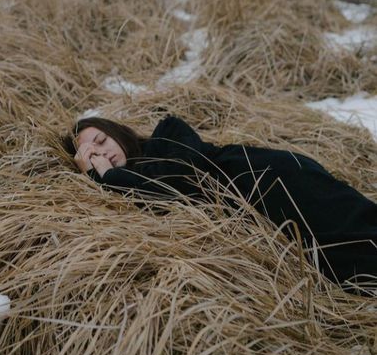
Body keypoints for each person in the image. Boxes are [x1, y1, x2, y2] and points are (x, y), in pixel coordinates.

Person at [62, 114, 377, 296]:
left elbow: (174, 182)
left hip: (272, 178)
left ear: (117, 133)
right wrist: (104, 177)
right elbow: (156, 195)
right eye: (91, 155)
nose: (102, 154)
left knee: (355, 228)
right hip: (265, 214)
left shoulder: (167, 132)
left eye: (101, 141)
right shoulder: (123, 189)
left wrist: (110, 175)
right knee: (345, 269)